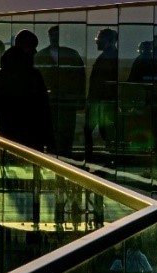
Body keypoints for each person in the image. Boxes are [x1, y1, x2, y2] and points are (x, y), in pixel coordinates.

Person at [0, 30, 53, 152]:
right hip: (32, 132)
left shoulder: (0, 75)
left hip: (7, 132)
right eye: (33, 47)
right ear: (27, 48)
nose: (35, 51)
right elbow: (43, 107)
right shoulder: (34, 75)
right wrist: (48, 138)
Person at [36, 25, 86, 157]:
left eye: (57, 35)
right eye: (53, 35)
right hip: (55, 101)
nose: (54, 38)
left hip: (64, 101)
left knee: (66, 132)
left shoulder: (41, 55)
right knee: (54, 131)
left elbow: (80, 79)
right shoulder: (71, 54)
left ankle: (63, 155)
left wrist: (80, 99)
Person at [83, 27, 120, 167]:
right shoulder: (112, 56)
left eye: (98, 40)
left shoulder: (107, 57)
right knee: (106, 132)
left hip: (100, 102)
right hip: (103, 101)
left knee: (92, 131)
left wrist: (92, 99)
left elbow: (99, 83)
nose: (96, 43)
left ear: (107, 41)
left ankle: (91, 159)